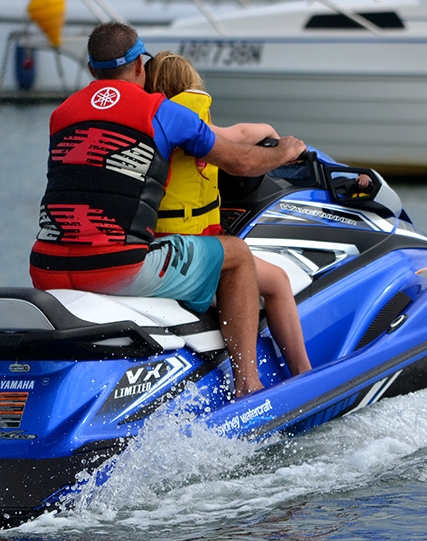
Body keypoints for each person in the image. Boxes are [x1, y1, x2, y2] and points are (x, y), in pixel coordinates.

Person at [29, 22, 307, 397]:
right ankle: (248, 385)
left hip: (46, 268)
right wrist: (284, 153)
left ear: (92, 70)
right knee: (238, 255)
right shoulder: (160, 112)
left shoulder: (62, 113)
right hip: (115, 267)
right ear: (140, 67)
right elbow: (240, 162)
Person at [144, 50, 311, 378]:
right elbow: (247, 135)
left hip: (154, 248)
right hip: (191, 248)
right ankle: (302, 374)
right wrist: (281, 144)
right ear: (190, 87)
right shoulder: (197, 130)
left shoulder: (146, 128)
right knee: (277, 281)